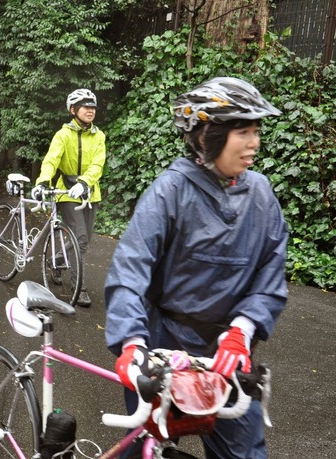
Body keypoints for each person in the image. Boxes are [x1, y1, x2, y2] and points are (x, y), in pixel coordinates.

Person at [105, 77, 287, 458]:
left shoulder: (261, 194)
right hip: (164, 347)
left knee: (244, 452)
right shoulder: (170, 190)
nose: (254, 142)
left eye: (256, 131)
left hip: (226, 353)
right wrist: (132, 345)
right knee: (146, 445)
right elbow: (130, 269)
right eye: (243, 131)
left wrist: (243, 330)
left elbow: (271, 270)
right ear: (207, 135)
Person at [31, 89, 106, 307]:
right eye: (85, 106)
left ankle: (56, 261)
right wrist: (43, 181)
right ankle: (78, 287)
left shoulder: (99, 136)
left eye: (93, 107)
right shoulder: (63, 135)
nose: (90, 110)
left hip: (91, 192)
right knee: (80, 238)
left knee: (83, 241)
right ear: (73, 110)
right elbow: (51, 161)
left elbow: (98, 164)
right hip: (67, 192)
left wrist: (85, 182)